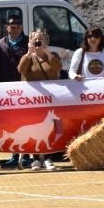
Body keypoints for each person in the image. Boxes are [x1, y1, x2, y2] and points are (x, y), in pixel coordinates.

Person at [18, 29, 63, 171]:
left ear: (47, 41)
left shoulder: (53, 55)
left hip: (52, 99)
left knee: (52, 128)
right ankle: (36, 158)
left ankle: (49, 157)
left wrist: (46, 52)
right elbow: (21, 70)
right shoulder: (28, 57)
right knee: (37, 128)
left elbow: (58, 68)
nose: (38, 42)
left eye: (41, 39)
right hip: (34, 100)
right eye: (35, 40)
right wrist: (29, 52)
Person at [0, 15, 31, 169]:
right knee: (11, 124)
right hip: (7, 91)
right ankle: (15, 155)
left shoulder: (29, 42)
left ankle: (27, 155)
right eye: (11, 24)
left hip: (26, 90)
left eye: (17, 24)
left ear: (22, 27)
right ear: (6, 27)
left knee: (27, 123)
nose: (14, 27)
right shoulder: (0, 44)